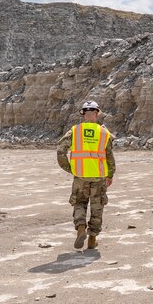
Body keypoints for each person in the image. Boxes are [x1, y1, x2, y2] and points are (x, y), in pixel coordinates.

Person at [56, 100, 115, 251]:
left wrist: (69, 168)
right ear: (97, 114)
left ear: (83, 114)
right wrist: (110, 174)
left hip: (80, 177)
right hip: (99, 178)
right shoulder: (104, 133)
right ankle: (92, 239)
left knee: (79, 203)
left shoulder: (75, 131)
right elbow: (109, 156)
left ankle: (81, 228)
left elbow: (60, 150)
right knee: (97, 207)